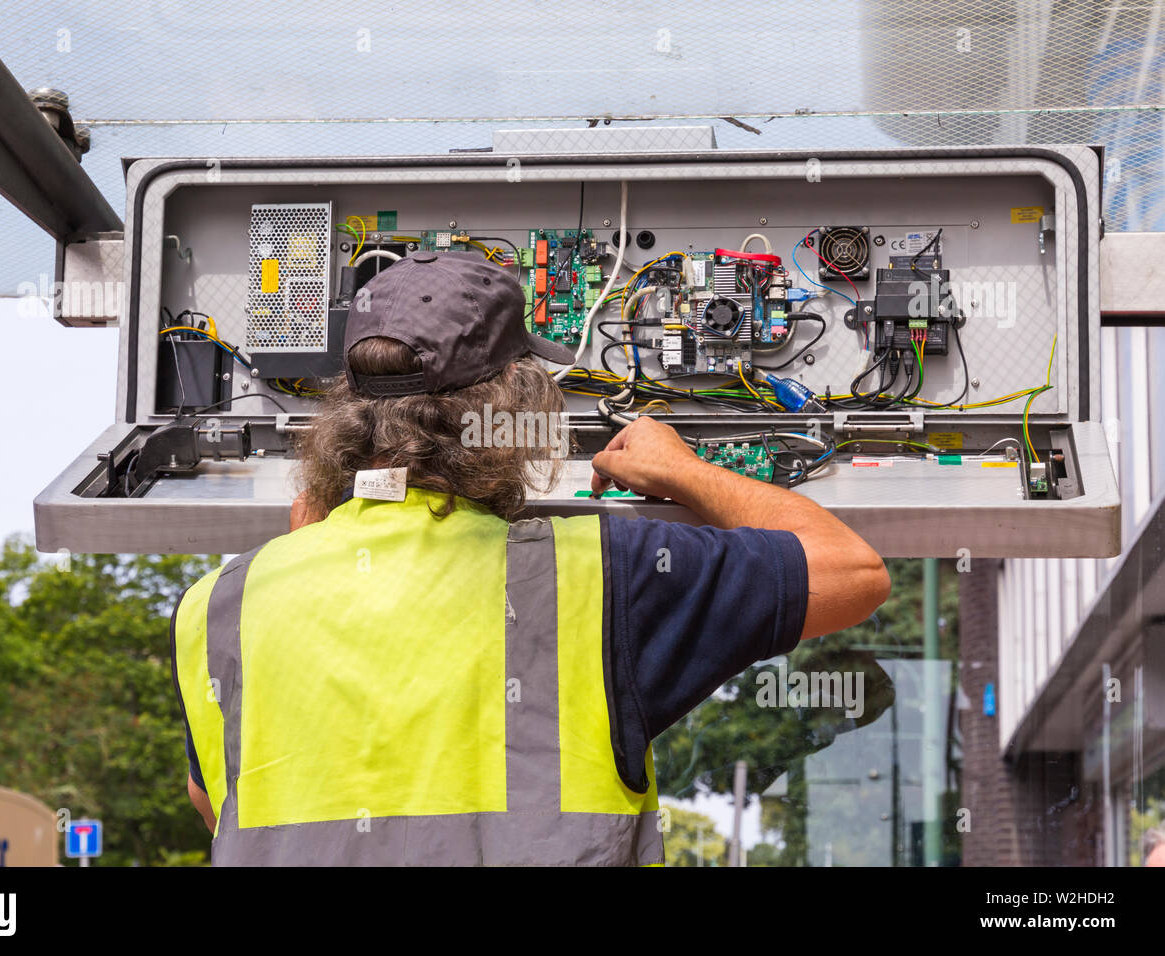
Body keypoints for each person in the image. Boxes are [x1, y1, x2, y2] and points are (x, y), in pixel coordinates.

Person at [171, 249, 890, 866]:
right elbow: (852, 571)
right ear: (514, 409)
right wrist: (684, 474)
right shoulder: (600, 574)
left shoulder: (221, 604)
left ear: (344, 417)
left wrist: (306, 559)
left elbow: (220, 805)